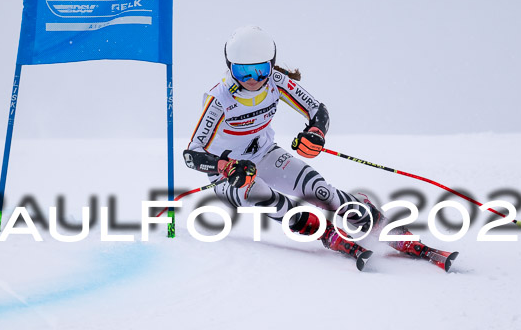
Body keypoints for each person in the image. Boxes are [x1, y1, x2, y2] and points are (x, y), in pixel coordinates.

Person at [183, 25, 427, 261]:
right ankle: (322, 230)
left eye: (259, 70)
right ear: (230, 68)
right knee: (258, 192)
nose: (252, 79)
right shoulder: (220, 99)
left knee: (320, 192)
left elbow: (317, 109)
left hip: (266, 155)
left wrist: (316, 133)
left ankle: (378, 223)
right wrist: (225, 167)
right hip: (231, 176)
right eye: (242, 71)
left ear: (271, 64)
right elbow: (192, 155)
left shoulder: (276, 82)